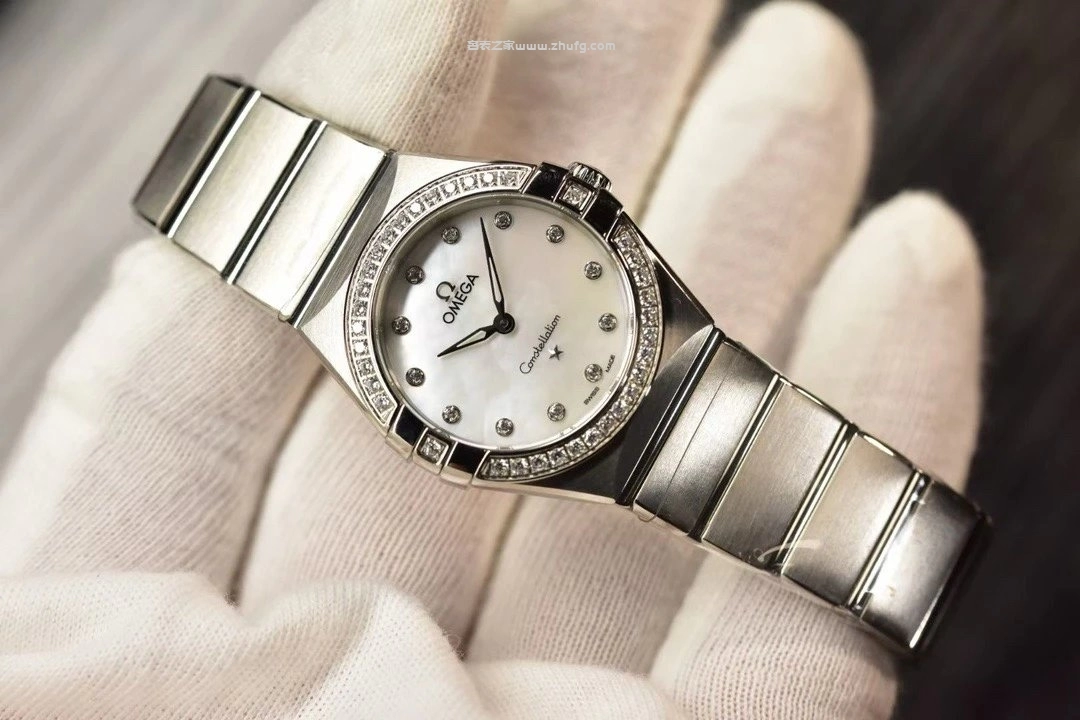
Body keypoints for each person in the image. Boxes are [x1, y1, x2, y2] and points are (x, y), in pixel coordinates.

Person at [0, 0, 983, 716]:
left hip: (640, 350)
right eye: (476, 333)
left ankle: (912, 546)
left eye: (490, 319)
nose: (495, 326)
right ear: (422, 425)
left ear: (573, 200)